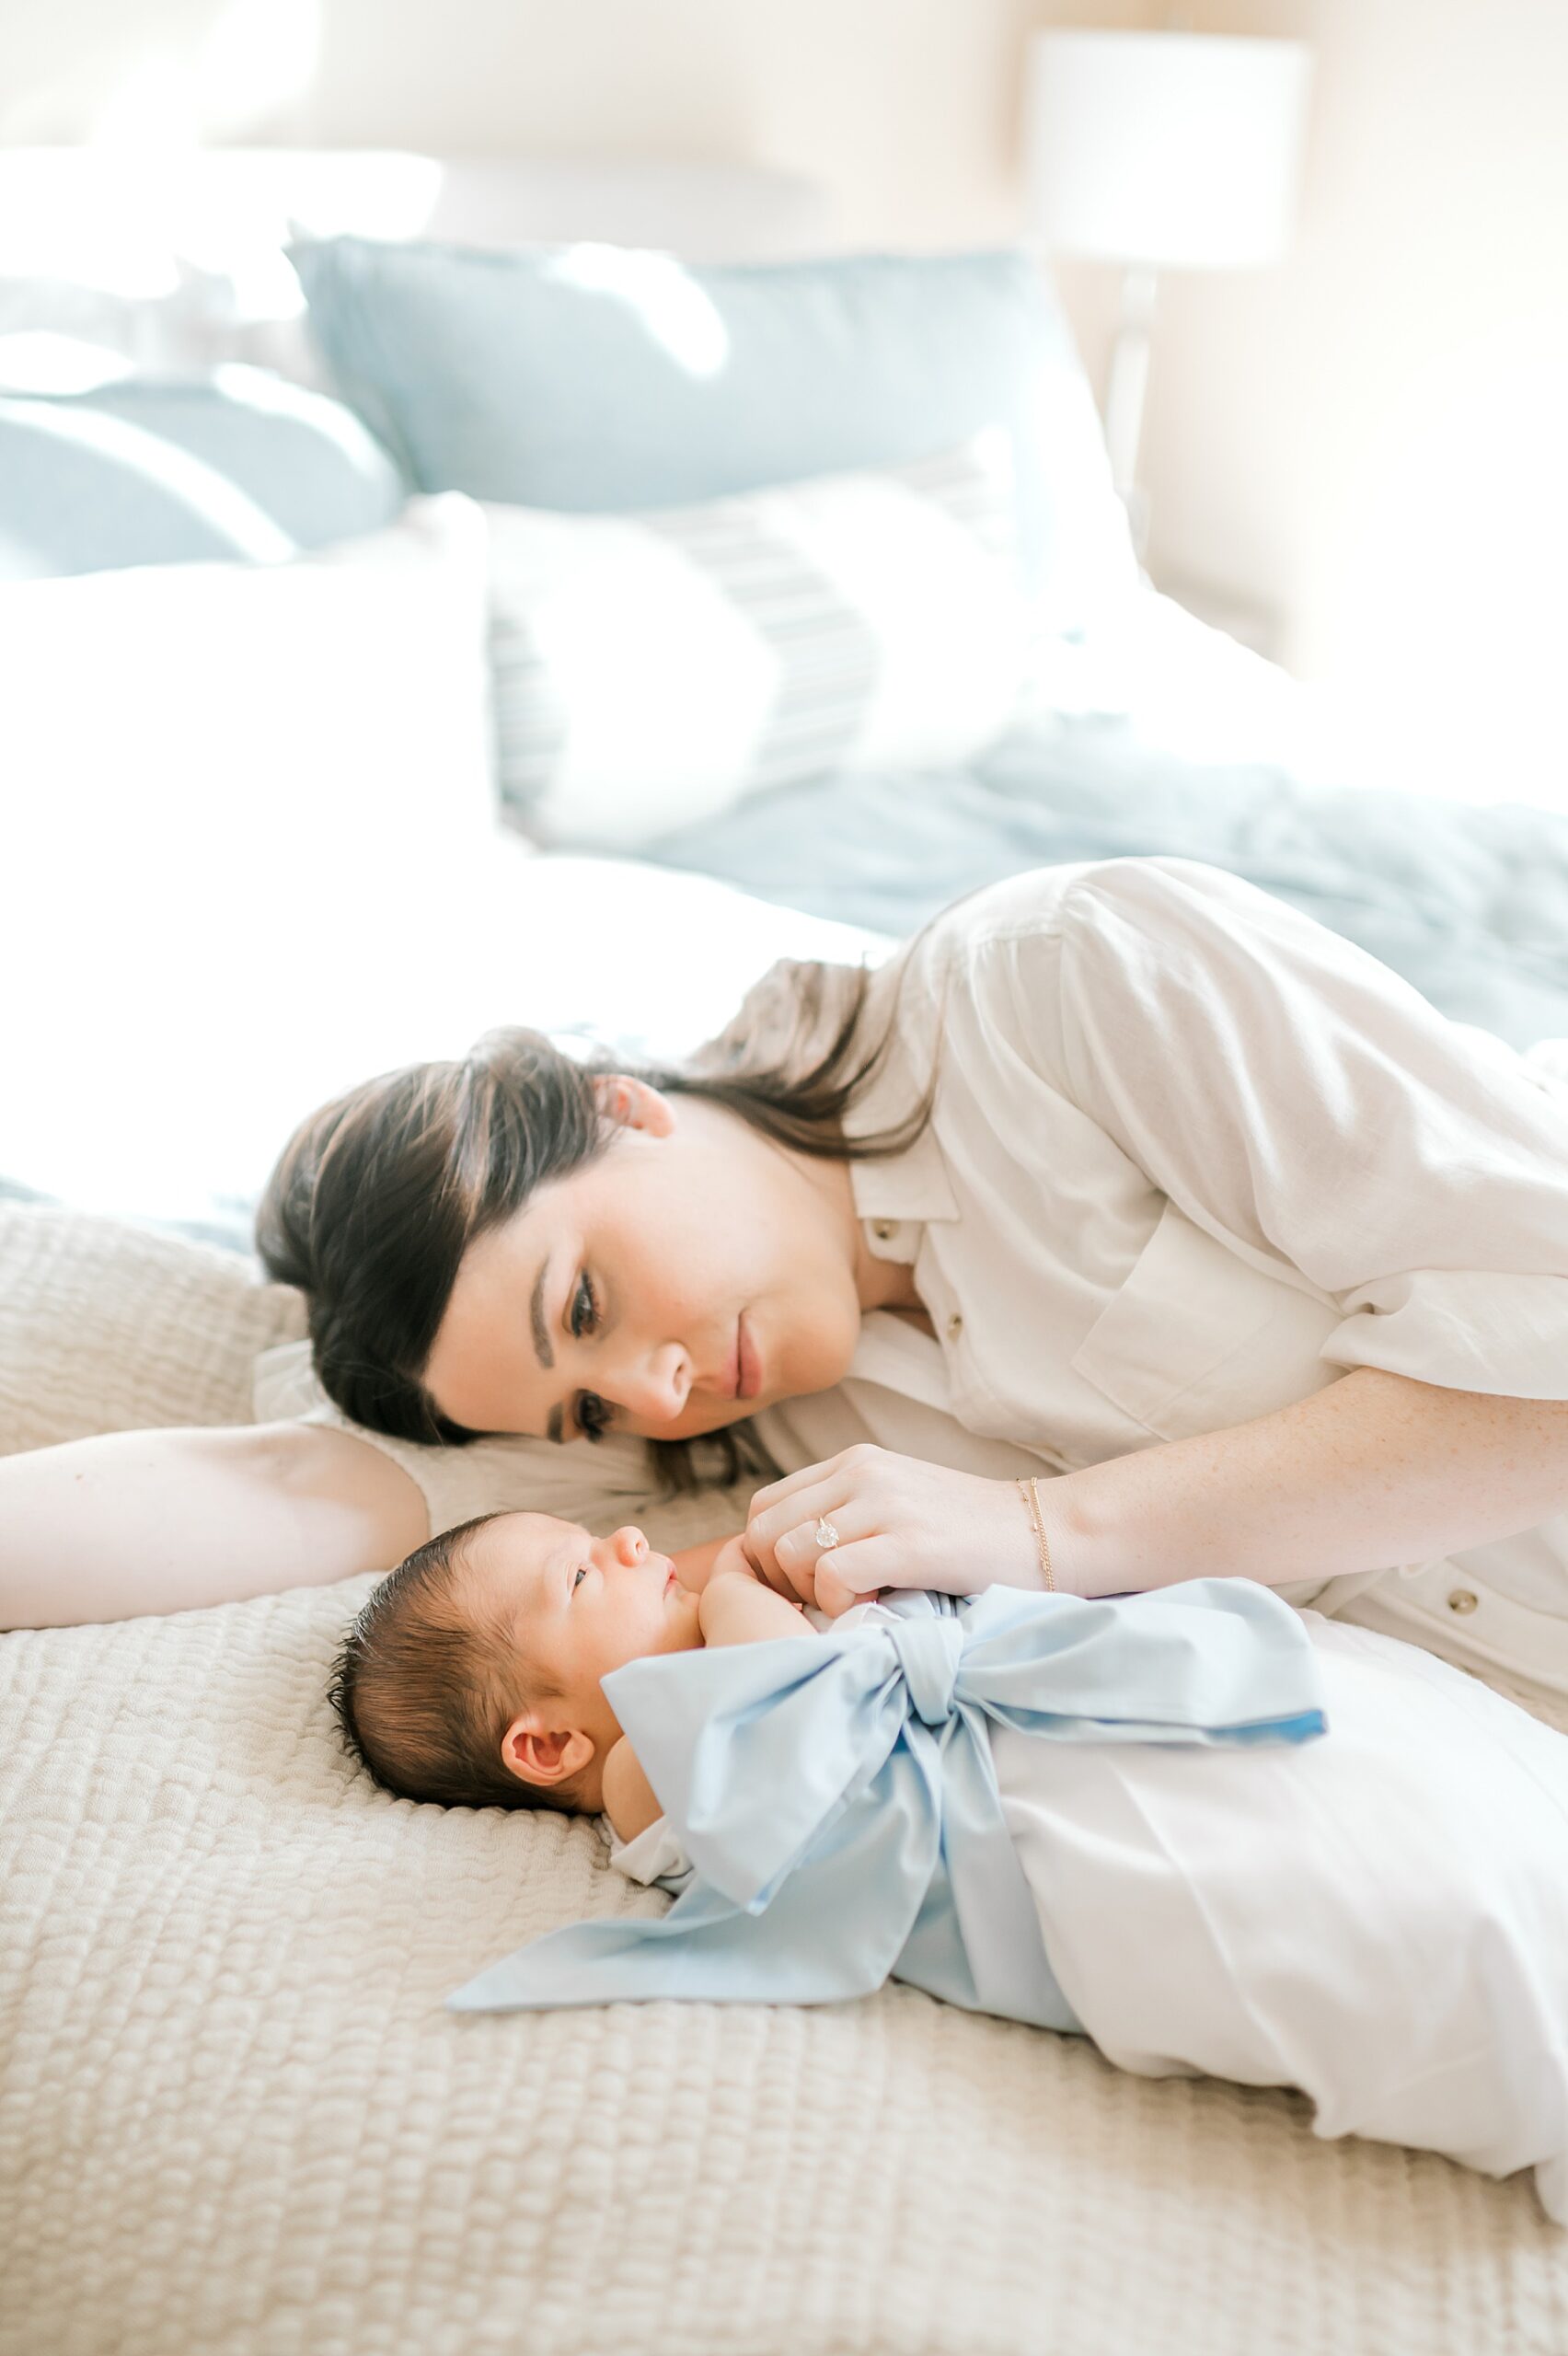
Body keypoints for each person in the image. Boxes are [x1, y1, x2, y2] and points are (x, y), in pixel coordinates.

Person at [6, 857, 1568, 1704]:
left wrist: (1050, 1530)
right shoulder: (760, 1443)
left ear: (622, 1104)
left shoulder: (1055, 988)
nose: (650, 1393)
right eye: (587, 1396)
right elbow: (297, 1490)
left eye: (585, 1308)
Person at [327, 1504, 1568, 2221]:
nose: (642, 1537)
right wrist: (750, 1584)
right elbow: (781, 1685)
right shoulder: (640, 1776)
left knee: (1388, 1763)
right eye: (587, 1570)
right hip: (1039, 1848)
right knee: (1359, 1916)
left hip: (1044, 1708)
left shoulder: (696, 1665)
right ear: (544, 1744)